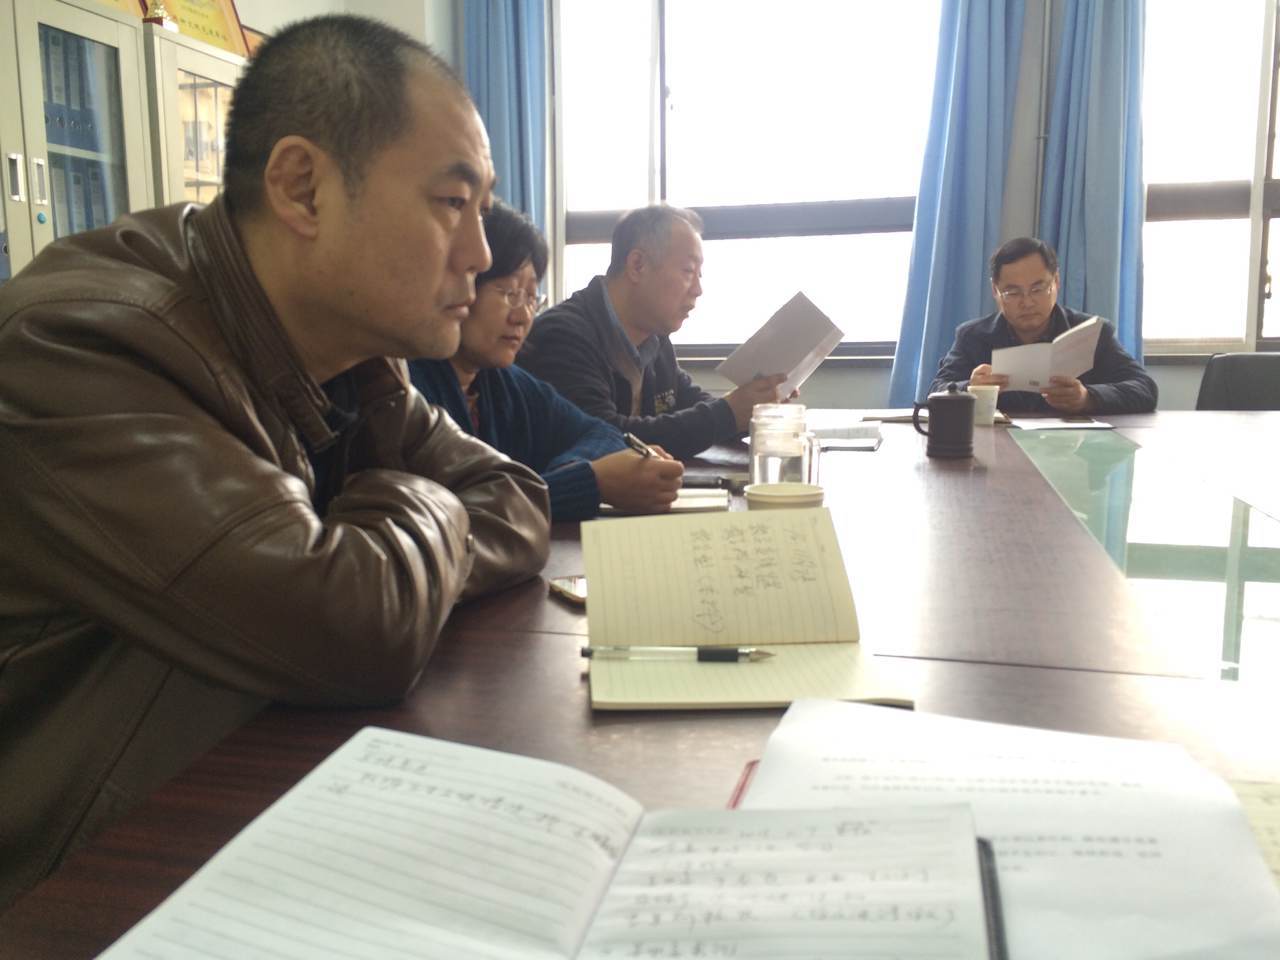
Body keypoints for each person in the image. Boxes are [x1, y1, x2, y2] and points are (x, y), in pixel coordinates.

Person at [0, 16, 549, 908]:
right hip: (66, 896)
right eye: (454, 203)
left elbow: (516, 495)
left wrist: (385, 544)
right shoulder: (79, 346)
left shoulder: (350, 353)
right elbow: (353, 626)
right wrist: (417, 511)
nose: (481, 256)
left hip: (228, 818)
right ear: (303, 189)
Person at [410, 202, 684, 519]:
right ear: (461, 284)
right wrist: (587, 481)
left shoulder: (504, 382)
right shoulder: (409, 386)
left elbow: (601, 433)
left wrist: (577, 472)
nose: (522, 316)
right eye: (510, 293)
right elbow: (457, 511)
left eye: (531, 297)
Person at [517, 205, 786, 460]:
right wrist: (728, 414)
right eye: (688, 271)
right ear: (638, 265)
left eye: (699, 275)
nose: (698, 289)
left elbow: (692, 405)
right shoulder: (563, 336)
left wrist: (754, 409)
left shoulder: (653, 337)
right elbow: (604, 436)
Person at [929, 237, 1157, 414]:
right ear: (995, 291)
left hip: (1072, 450)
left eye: (1038, 289)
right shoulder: (972, 336)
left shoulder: (1091, 333)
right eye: (1012, 292)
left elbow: (1145, 388)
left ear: (1056, 282)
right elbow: (935, 391)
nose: (1027, 302)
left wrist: (1088, 397)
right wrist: (970, 387)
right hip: (997, 447)